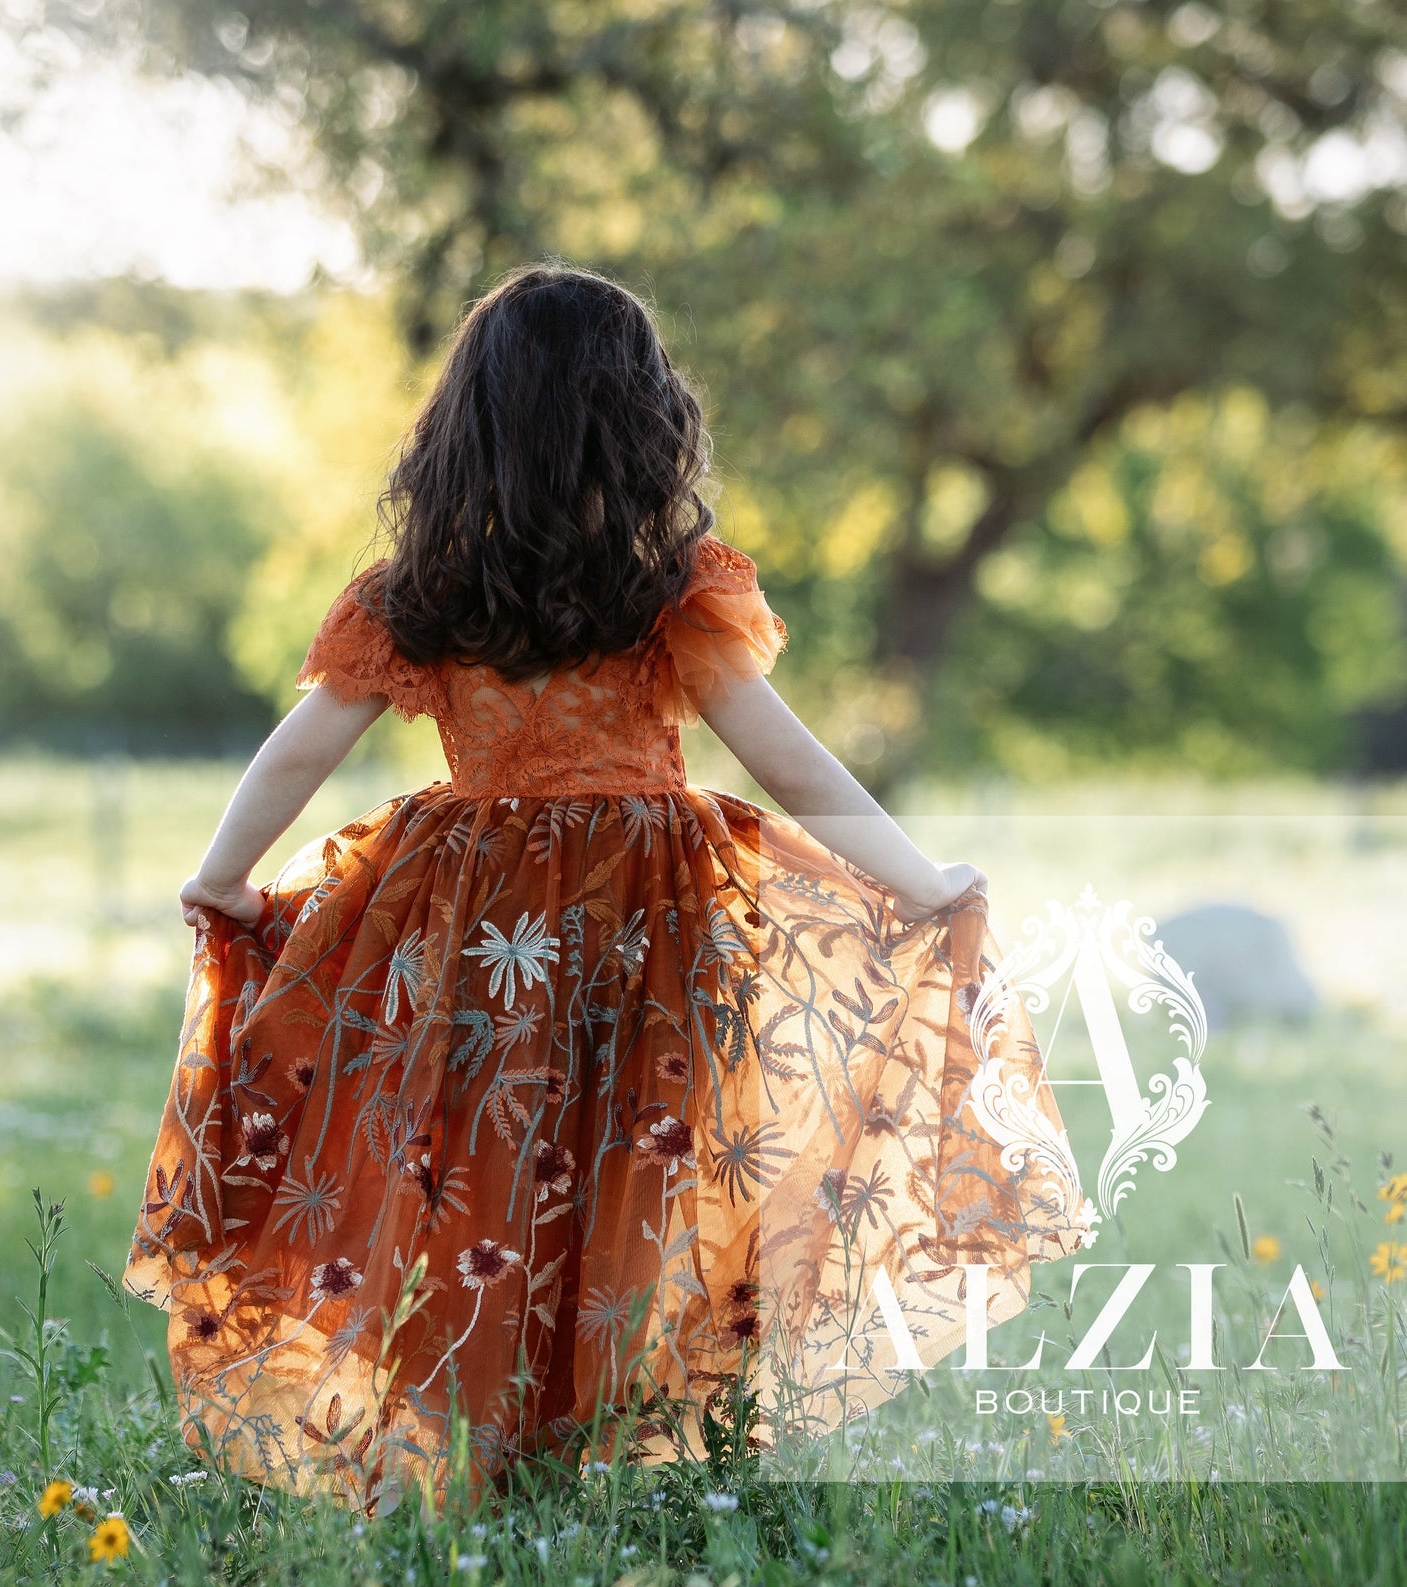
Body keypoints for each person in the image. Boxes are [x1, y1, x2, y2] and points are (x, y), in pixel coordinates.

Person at [126, 263, 1086, 1513]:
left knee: (469, 1175)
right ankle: (585, 1453)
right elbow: (787, 761)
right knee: (629, 1181)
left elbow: (301, 747)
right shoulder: (665, 591)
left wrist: (226, 877)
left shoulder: (421, 595)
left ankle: (476, 1458)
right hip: (647, 927)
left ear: (460, 432)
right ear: (642, 425)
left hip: (471, 935)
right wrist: (918, 880)